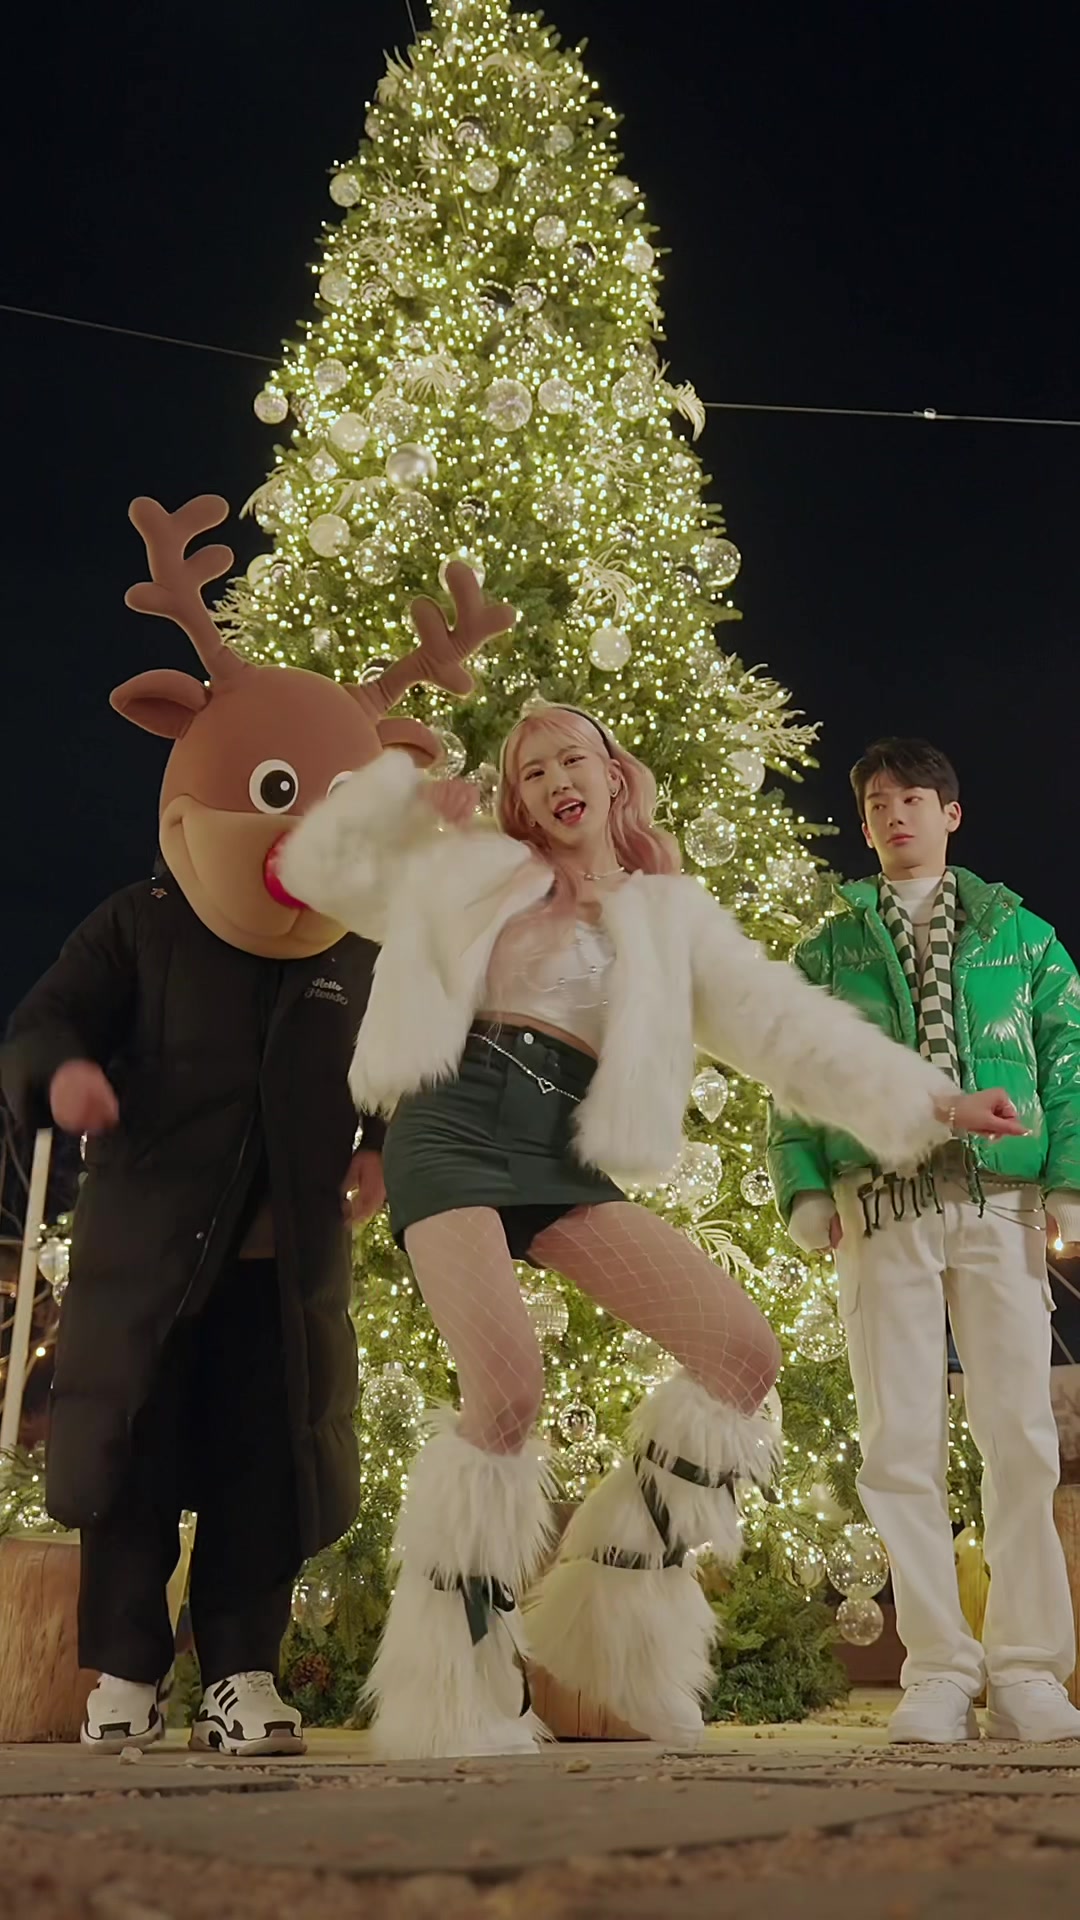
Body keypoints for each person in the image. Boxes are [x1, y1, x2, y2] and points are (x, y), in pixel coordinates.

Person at [281, 704, 1021, 1758]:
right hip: (453, 1123)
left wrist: (939, 1102)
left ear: (613, 774)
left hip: (564, 1150)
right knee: (508, 1393)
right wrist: (397, 797)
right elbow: (321, 874)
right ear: (517, 798)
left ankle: (613, 1630)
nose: (555, 782)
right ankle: (453, 1693)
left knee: (742, 1353)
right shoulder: (479, 866)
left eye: (571, 760)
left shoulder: (667, 914)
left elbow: (786, 1029)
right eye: (532, 772)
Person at [1, 495, 506, 1756]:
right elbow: (44, 1021)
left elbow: (416, 1066)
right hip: (145, 1249)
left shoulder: (357, 953)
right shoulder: (141, 924)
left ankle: (241, 1672)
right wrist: (64, 1077)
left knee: (263, 1470)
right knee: (127, 1462)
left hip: (284, 1269)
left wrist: (383, 1152)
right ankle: (125, 1674)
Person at [768, 736, 1080, 1745]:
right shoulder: (829, 951)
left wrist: (1070, 1181)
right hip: (882, 1205)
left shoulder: (1024, 939)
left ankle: (1028, 1669)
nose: (894, 814)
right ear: (865, 827)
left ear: (951, 813)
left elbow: (1069, 1057)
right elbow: (795, 1072)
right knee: (898, 1441)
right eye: (877, 804)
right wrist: (804, 1184)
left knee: (1020, 1436)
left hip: (1001, 1204)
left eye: (913, 798)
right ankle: (939, 1668)